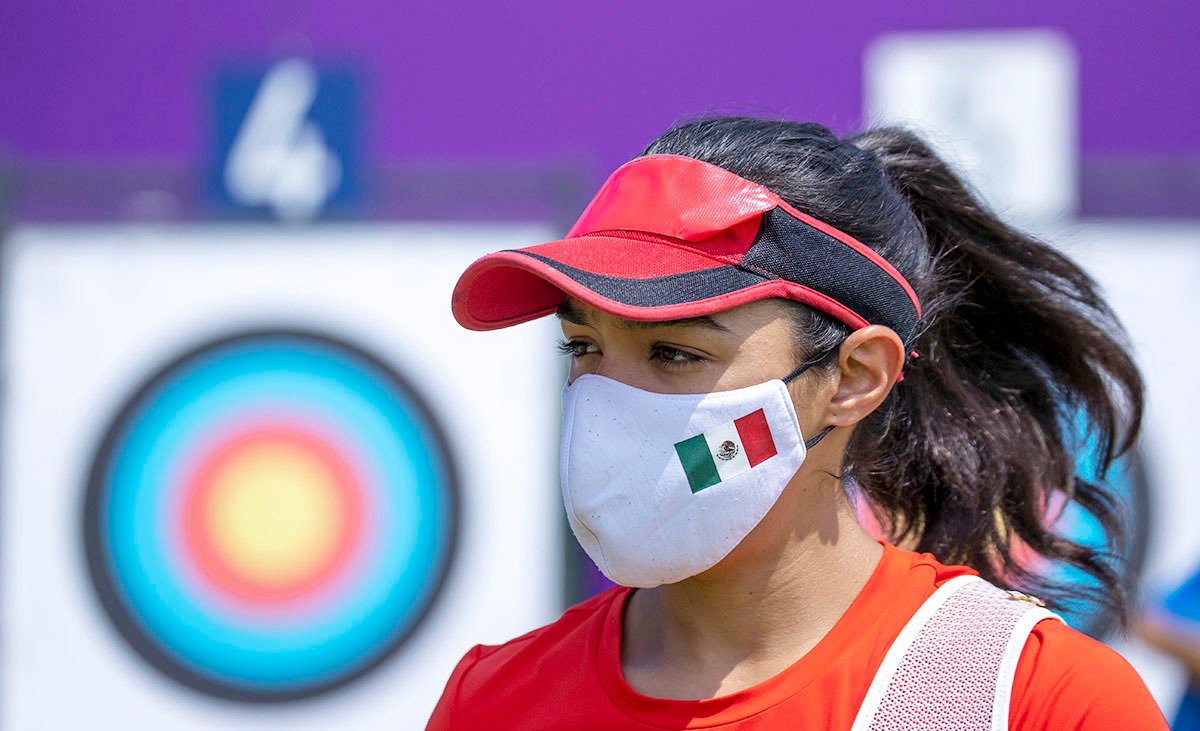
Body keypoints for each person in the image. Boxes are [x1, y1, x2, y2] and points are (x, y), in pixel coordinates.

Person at [427, 117, 1168, 729]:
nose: (607, 404)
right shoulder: (491, 701)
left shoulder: (1031, 698)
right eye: (583, 345)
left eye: (675, 351)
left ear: (854, 377)